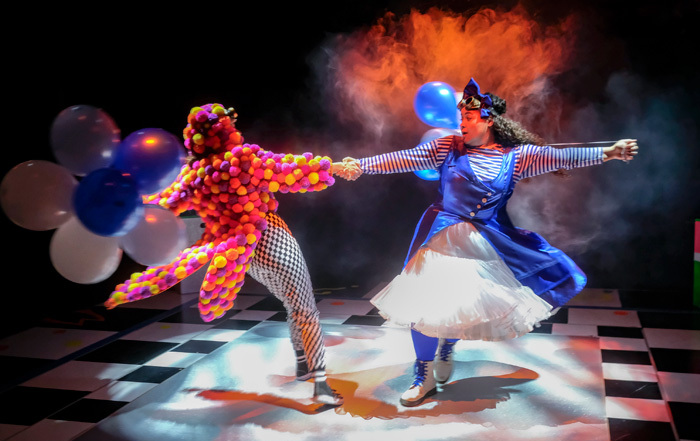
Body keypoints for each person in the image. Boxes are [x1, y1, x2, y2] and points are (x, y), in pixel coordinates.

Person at [333, 78, 638, 407]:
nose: (461, 123)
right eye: (460, 118)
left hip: (483, 241)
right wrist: (361, 166)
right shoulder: (447, 146)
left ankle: (447, 346)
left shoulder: (516, 158)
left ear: (488, 120)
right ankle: (421, 375)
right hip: (442, 234)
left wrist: (607, 153)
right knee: (423, 305)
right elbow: (405, 158)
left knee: (456, 304)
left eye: (468, 118)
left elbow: (558, 157)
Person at [106, 103, 343, 406]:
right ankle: (321, 384)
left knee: (292, 302)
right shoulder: (242, 159)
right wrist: (333, 168)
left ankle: (302, 365)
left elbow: (163, 203)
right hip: (270, 235)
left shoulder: (193, 176)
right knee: (304, 307)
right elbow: (291, 171)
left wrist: (124, 209)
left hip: (242, 252)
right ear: (224, 130)